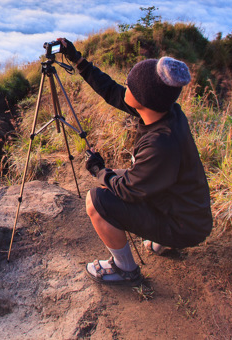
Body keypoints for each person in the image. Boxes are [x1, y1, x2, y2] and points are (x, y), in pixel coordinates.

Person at [59, 38, 212, 286]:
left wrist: (99, 171)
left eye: (129, 85)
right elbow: (111, 91)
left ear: (143, 98)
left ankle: (125, 269)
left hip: (185, 225)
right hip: (188, 210)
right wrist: (78, 60)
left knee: (96, 200)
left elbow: (128, 190)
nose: (125, 86)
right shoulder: (166, 112)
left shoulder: (160, 144)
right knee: (120, 176)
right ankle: (163, 240)